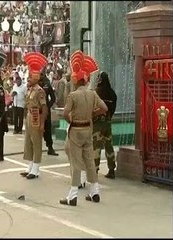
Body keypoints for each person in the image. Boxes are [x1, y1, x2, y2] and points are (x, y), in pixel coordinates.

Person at [60, 50, 108, 206]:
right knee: (89, 161)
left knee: (75, 162)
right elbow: (104, 108)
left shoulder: (73, 95)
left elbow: (66, 113)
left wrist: (71, 121)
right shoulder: (92, 94)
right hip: (88, 129)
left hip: (76, 130)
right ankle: (95, 192)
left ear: (76, 81)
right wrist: (92, 114)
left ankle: (72, 196)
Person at [20, 52, 48, 179]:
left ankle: (36, 169)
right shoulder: (30, 90)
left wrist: (42, 124)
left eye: (30, 77)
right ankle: (30, 165)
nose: (28, 79)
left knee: (36, 142)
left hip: (37, 116)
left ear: (36, 78)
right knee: (28, 142)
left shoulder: (40, 91)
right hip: (30, 116)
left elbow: (45, 108)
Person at [93, 72, 117, 179]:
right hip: (108, 122)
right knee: (109, 146)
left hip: (98, 124)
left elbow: (93, 107)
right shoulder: (112, 93)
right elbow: (112, 110)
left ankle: (95, 170)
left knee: (96, 147)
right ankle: (111, 169)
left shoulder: (97, 93)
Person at [39, 71, 59, 156]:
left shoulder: (47, 84)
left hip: (45, 110)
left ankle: (50, 148)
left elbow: (53, 98)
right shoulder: (33, 84)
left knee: (47, 129)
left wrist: (48, 106)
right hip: (36, 110)